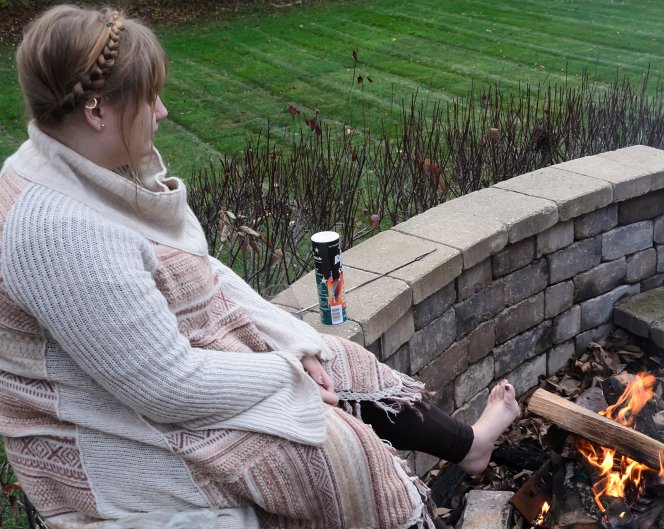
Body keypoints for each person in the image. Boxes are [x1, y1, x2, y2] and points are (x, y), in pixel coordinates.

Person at [0, 5, 519, 529]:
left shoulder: (78, 171)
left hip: (146, 374)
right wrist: (285, 374)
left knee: (336, 358)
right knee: (331, 451)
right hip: (110, 432)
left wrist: (297, 346)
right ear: (95, 111)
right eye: (148, 97)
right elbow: (165, 387)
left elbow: (199, 271)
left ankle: (469, 446)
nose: (161, 112)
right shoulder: (58, 230)